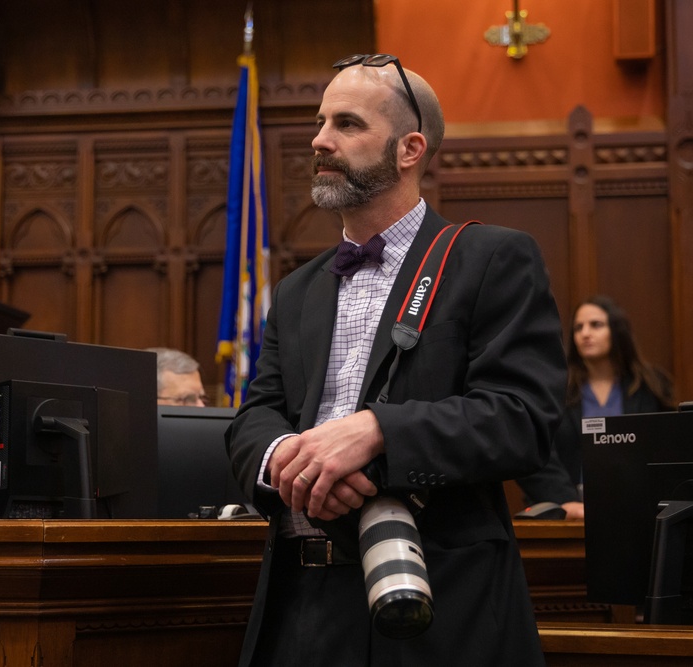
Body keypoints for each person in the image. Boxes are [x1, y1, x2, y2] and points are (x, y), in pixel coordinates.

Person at [225, 54, 566, 665]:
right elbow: (256, 416)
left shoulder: (490, 259)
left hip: (440, 603)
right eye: (321, 120)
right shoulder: (299, 288)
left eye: (347, 124)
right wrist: (290, 464)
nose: (319, 140)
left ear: (410, 149)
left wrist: (376, 432)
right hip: (301, 606)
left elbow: (523, 418)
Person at [518, 295, 674, 520]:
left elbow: (668, 449)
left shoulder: (652, 386)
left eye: (596, 325)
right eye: (578, 327)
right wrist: (566, 501)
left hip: (640, 511)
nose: (585, 334)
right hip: (569, 511)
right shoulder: (555, 389)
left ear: (617, 330)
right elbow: (535, 449)